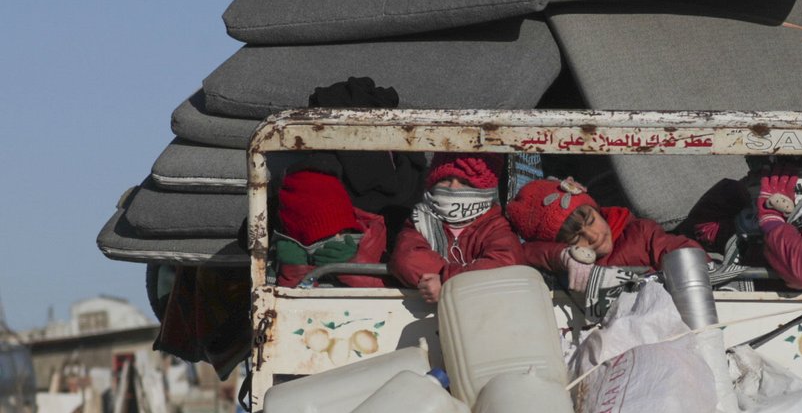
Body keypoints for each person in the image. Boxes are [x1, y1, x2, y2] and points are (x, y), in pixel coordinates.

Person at [678, 156, 802, 291]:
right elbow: (703, 230)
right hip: (747, 312)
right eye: (757, 164)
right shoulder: (751, 215)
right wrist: (735, 190)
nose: (759, 171)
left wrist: (772, 221)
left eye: (767, 164)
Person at [505, 177, 700, 293]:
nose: (592, 236)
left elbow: (682, 252)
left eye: (591, 221)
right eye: (576, 238)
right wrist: (561, 256)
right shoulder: (573, 265)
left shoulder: (640, 233)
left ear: (597, 210)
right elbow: (523, 253)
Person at [388, 152, 522, 303]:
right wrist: (457, 281)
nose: (454, 188)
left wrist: (447, 283)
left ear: (483, 189)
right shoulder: (419, 219)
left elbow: (504, 264)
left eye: (465, 182)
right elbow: (407, 259)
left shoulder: (495, 225)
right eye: (445, 180)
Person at [273, 160, 389, 288]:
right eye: (322, 239)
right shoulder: (281, 254)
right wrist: (294, 272)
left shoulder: (374, 241)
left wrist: (355, 266)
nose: (337, 239)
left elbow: (393, 290)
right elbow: (284, 299)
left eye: (345, 232)